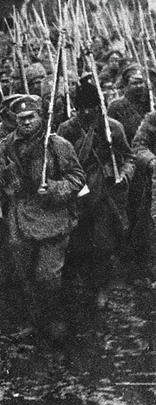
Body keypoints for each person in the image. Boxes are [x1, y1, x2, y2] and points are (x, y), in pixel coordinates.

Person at [0, 95, 85, 339]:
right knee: (24, 274)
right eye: (21, 119)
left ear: (41, 116)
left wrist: (53, 187)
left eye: (31, 117)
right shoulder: (6, 146)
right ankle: (33, 322)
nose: (26, 123)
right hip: (20, 219)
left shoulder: (57, 144)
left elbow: (77, 178)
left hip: (53, 217)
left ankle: (54, 320)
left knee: (48, 276)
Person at [57, 78, 134, 311]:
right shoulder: (66, 129)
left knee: (103, 243)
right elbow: (59, 162)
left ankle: (101, 288)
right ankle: (80, 286)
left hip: (105, 192)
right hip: (77, 192)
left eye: (93, 107)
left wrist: (124, 175)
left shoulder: (112, 128)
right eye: (83, 108)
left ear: (100, 106)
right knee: (77, 243)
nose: (88, 112)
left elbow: (129, 158)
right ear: (76, 108)